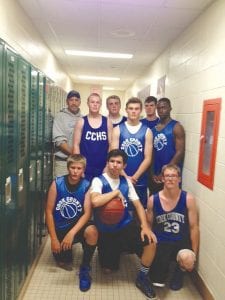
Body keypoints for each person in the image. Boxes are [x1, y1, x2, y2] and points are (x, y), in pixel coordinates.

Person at [90, 149, 157, 299]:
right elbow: (94, 201)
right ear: (107, 163)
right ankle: (118, 250)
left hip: (125, 225)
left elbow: (139, 205)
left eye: (118, 162)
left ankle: (142, 277)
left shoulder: (126, 182)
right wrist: (115, 193)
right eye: (112, 161)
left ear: (124, 165)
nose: (115, 165)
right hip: (107, 230)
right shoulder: (98, 180)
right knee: (108, 269)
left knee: (151, 243)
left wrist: (145, 226)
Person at [45, 154, 98, 292]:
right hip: (60, 227)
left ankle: (85, 267)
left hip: (77, 226)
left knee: (92, 232)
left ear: (83, 170)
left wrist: (72, 233)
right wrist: (54, 239)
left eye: (79, 168)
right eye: (72, 167)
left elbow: (87, 213)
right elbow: (49, 212)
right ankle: (63, 250)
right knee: (63, 261)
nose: (75, 171)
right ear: (68, 168)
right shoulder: (57, 184)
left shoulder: (86, 185)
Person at [147, 164, 199, 290]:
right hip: (162, 242)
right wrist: (151, 243)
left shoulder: (188, 199)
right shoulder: (153, 199)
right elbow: (148, 225)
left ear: (179, 179)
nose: (170, 179)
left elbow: (194, 228)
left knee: (187, 259)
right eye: (167, 176)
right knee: (157, 283)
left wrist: (194, 254)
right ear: (163, 179)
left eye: (174, 176)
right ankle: (160, 267)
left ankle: (179, 271)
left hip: (180, 242)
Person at [111, 97, 152, 209]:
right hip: (120, 177)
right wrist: (125, 176)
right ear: (126, 110)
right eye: (131, 108)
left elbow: (148, 158)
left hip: (140, 180)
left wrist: (134, 177)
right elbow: (113, 157)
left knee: (140, 212)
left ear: (140, 111)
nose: (133, 111)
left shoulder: (147, 131)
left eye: (136, 109)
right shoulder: (118, 129)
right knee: (119, 211)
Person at [73, 93, 113, 181]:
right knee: (85, 193)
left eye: (97, 102)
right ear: (88, 103)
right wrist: (79, 167)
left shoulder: (107, 122)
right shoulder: (81, 122)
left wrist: (108, 166)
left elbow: (111, 145)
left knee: (102, 194)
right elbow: (76, 145)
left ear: (100, 105)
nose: (95, 104)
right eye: (92, 102)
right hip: (85, 167)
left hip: (103, 168)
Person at [151, 97, 185, 194]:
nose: (161, 110)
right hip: (157, 175)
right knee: (155, 201)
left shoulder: (176, 127)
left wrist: (166, 171)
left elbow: (180, 152)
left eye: (164, 107)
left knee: (170, 202)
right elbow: (153, 153)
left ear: (170, 108)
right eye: (159, 108)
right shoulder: (154, 129)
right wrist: (153, 172)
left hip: (171, 174)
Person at [53, 90, 82, 177]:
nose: (74, 103)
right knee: (61, 188)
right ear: (67, 101)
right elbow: (59, 141)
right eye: (71, 100)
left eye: (76, 100)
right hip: (63, 163)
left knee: (77, 189)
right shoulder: (60, 117)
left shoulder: (83, 118)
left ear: (80, 102)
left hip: (78, 164)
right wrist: (75, 156)